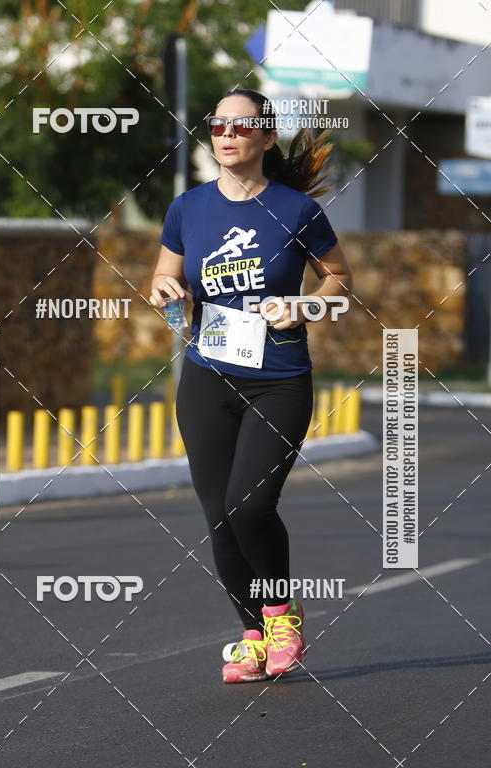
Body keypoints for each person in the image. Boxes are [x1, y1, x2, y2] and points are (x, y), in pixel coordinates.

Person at [150, 88, 353, 683]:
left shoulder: (296, 211)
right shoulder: (187, 208)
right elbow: (164, 274)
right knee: (219, 515)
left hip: (279, 381)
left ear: (265, 137)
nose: (227, 134)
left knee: (250, 505)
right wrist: (166, 291)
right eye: (218, 125)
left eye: (242, 126)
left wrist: (306, 308)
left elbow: (339, 277)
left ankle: (281, 613)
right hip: (208, 376)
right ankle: (253, 636)